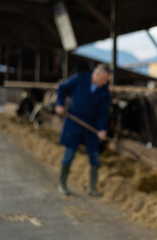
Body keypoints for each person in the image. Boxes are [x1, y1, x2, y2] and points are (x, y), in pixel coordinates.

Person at [55, 63, 111, 197]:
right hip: (73, 122)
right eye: (103, 79)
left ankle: (92, 187)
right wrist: (60, 104)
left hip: (90, 127)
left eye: (106, 81)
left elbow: (104, 113)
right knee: (69, 153)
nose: (104, 83)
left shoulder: (105, 92)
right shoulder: (80, 79)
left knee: (94, 156)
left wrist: (102, 129)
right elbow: (62, 88)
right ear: (96, 74)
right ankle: (62, 184)